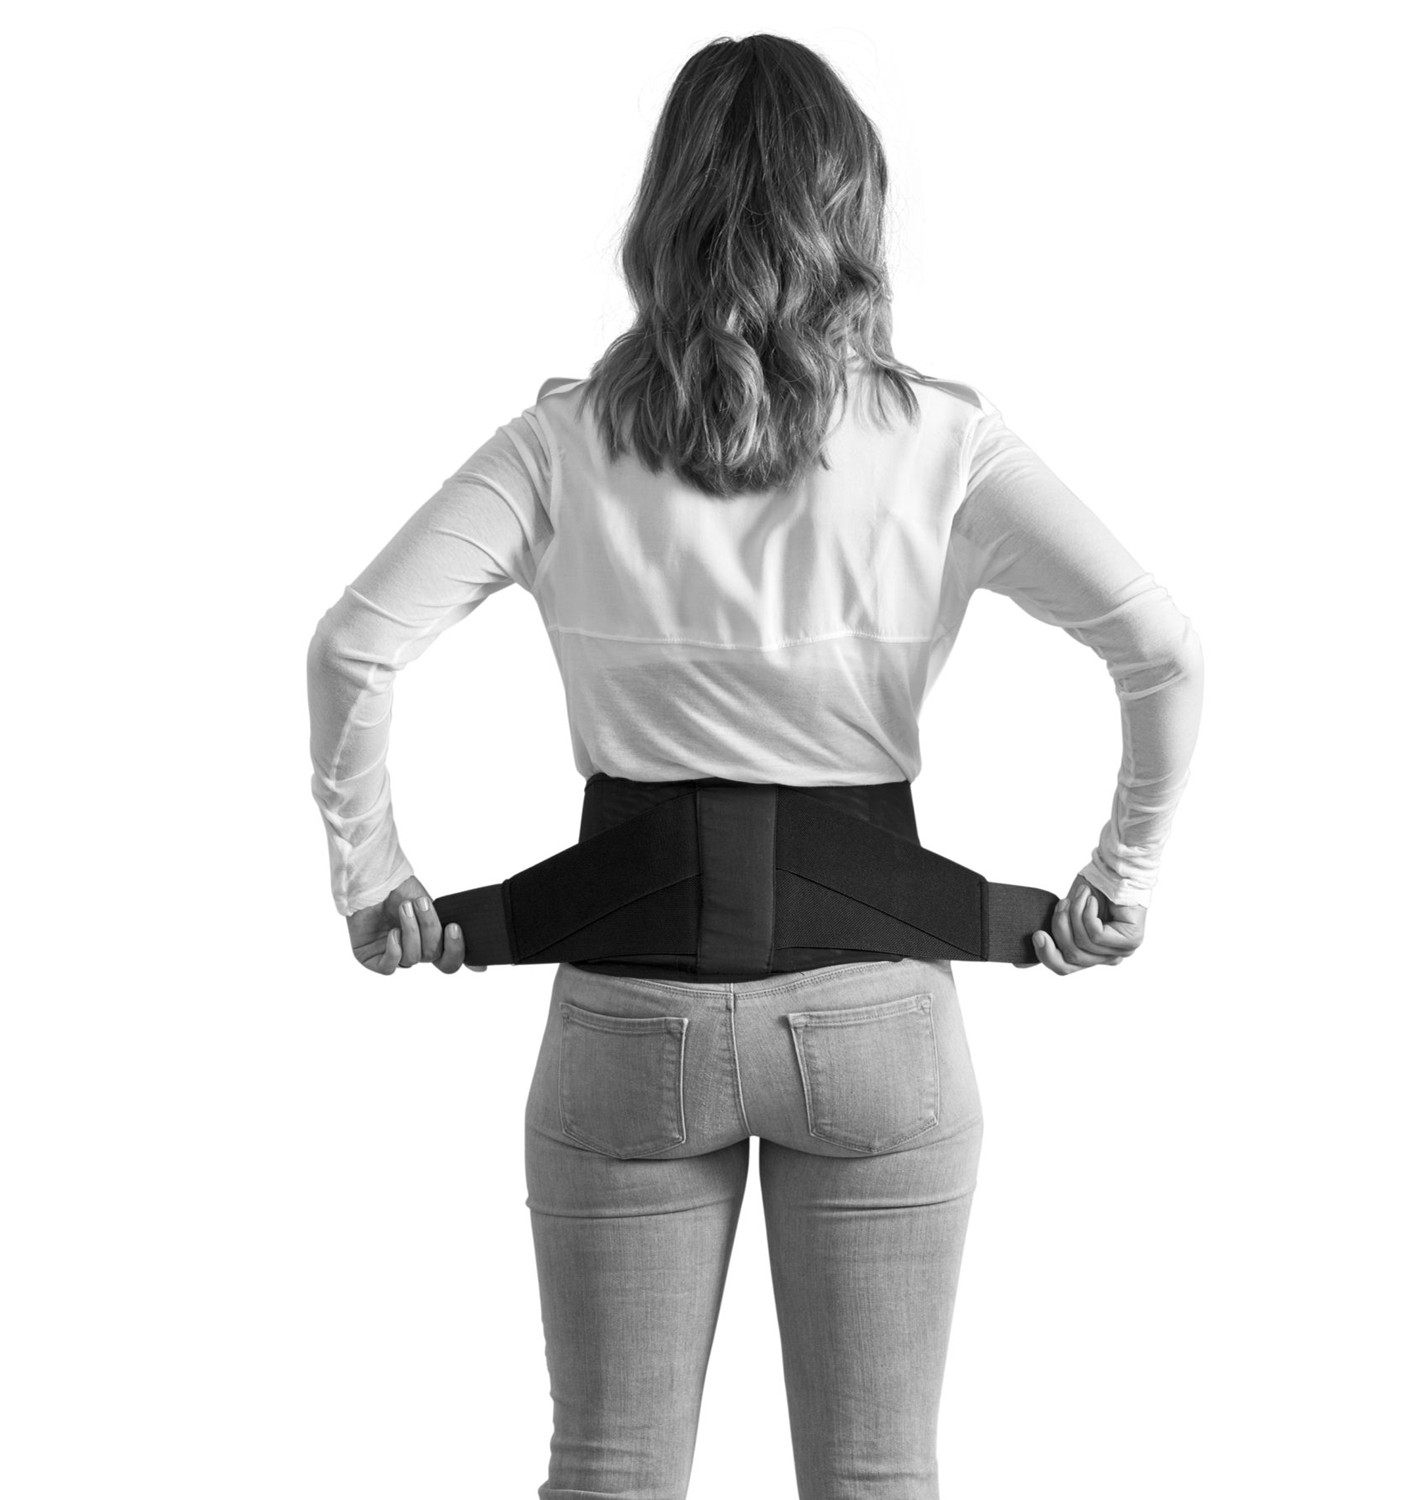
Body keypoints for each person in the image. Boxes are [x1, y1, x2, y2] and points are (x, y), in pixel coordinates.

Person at [305, 32, 1204, 1500]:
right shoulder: (944, 443)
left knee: (608, 1470)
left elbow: (354, 646)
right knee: (877, 1477)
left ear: (663, 214)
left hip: (631, 1017)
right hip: (876, 1019)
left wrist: (373, 878)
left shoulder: (560, 445)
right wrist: (1123, 876)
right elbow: (1162, 648)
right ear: (853, 210)